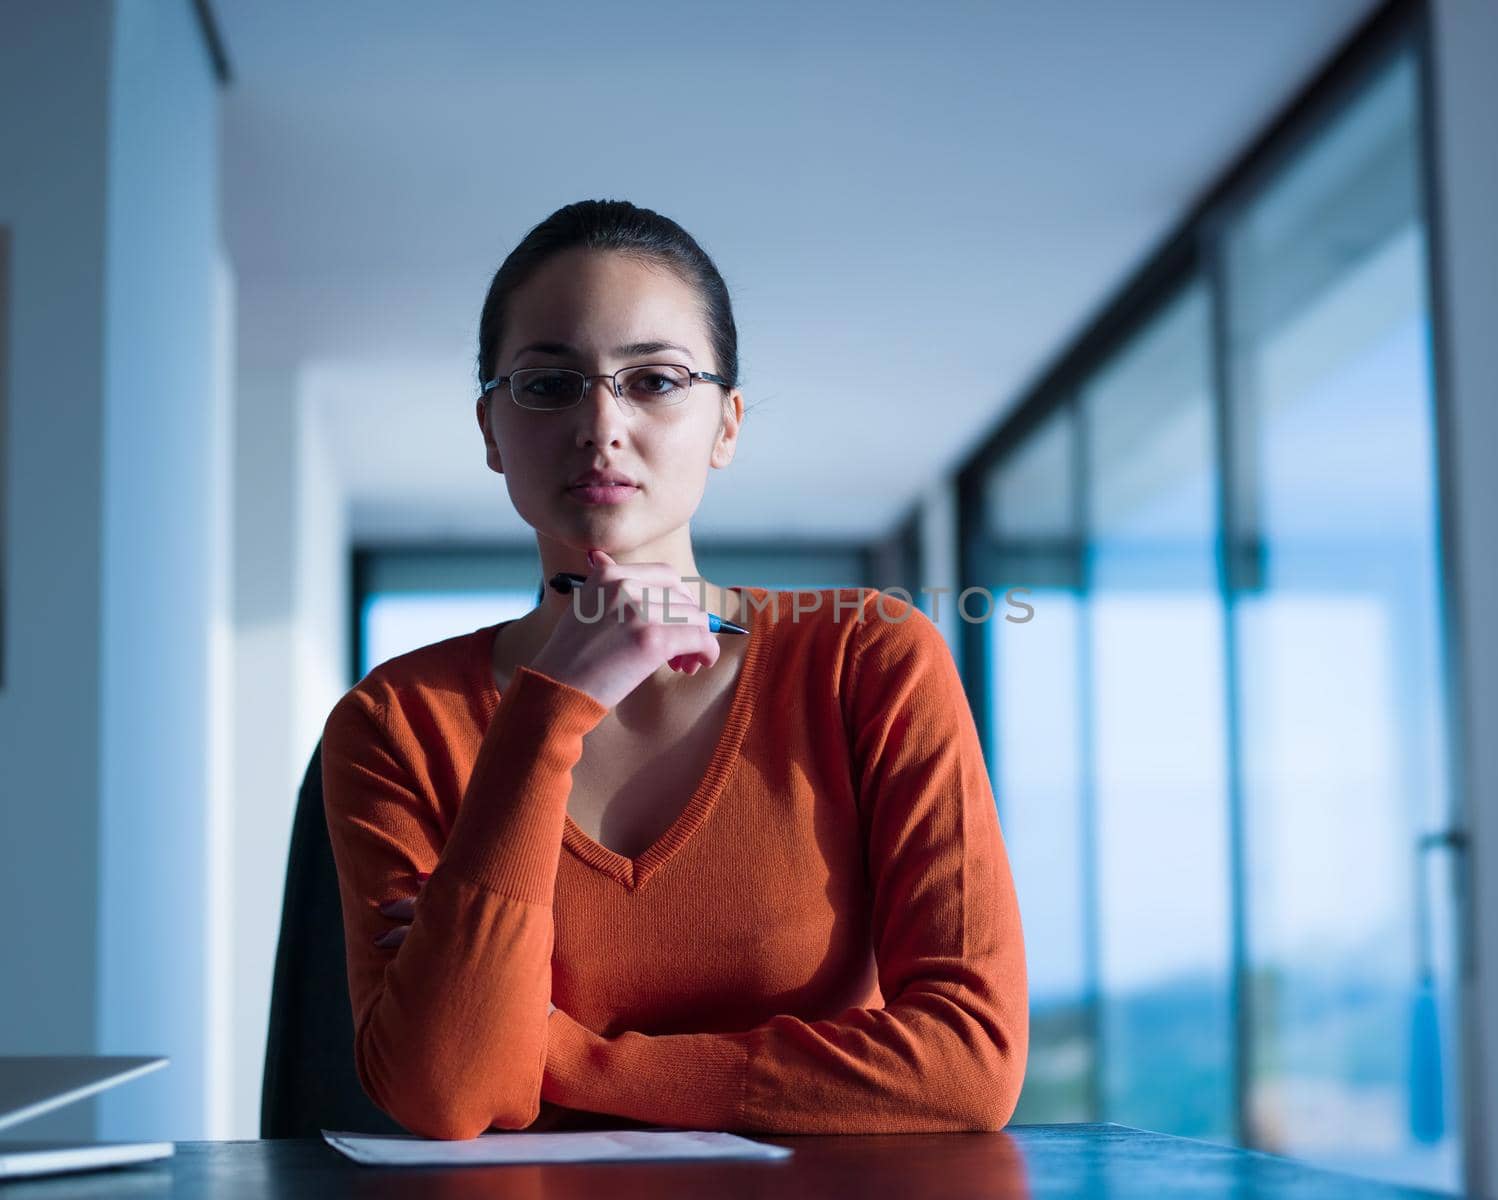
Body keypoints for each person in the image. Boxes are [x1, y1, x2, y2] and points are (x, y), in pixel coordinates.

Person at [319, 198, 1029, 1141]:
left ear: (726, 425)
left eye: (654, 380)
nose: (601, 423)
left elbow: (969, 1064)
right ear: (490, 429)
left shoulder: (867, 656)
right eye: (547, 385)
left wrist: (556, 1057)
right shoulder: (397, 720)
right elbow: (445, 1093)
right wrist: (549, 711)